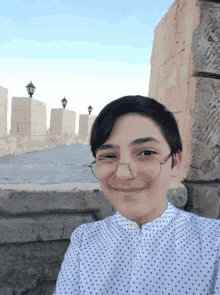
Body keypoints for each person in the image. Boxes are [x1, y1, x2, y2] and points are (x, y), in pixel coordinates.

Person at [53, 95, 220, 294]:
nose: (123, 174)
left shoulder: (214, 241)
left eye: (146, 153)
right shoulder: (84, 239)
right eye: (108, 156)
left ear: (175, 161)